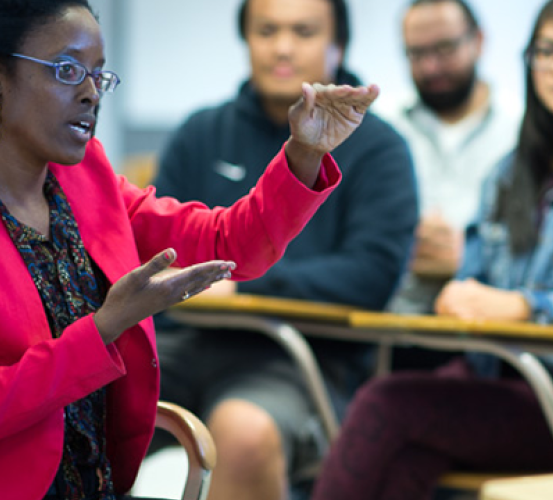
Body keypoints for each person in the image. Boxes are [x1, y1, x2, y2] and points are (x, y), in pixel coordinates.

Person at [0, 0, 379, 499]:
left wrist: (304, 152)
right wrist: (104, 328)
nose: (90, 94)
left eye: (98, 76)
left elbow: (228, 242)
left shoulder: (88, 179)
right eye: (68, 71)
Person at [309, 0, 553, 498]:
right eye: (547, 50)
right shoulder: (511, 173)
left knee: (385, 404)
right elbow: (472, 280)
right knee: (404, 458)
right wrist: (456, 294)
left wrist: (526, 306)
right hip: (498, 378)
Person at [149, 0, 417, 499]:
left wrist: (241, 284)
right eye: (267, 30)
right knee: (78, 395)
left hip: (304, 358)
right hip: (183, 345)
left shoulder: (379, 148)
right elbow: (154, 251)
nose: (283, 46)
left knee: (243, 432)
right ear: (246, 39)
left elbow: (372, 275)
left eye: (304, 31)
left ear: (338, 44)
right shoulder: (200, 133)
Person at [383, 0, 520, 315]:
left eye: (445, 49)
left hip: (490, 327)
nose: (431, 67)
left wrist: (470, 255)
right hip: (392, 321)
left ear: (478, 41)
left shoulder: (522, 130)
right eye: (417, 54)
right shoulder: (383, 125)